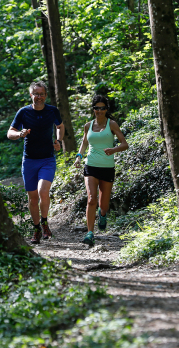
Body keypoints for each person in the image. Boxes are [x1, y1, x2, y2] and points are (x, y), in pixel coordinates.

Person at [8, 81, 64, 244]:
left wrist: (59, 140)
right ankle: (36, 228)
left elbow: (60, 125)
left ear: (45, 95)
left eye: (42, 94)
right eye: (36, 94)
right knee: (32, 198)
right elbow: (9, 133)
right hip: (29, 160)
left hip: (47, 159)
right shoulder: (23, 112)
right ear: (31, 95)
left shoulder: (52, 111)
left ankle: (45, 222)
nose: (39, 97)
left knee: (43, 191)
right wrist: (20, 134)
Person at [74, 95, 129, 246]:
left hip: (107, 168)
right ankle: (90, 233)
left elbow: (125, 144)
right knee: (91, 199)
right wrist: (79, 156)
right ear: (93, 110)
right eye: (97, 108)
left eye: (102, 108)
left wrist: (114, 149)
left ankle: (102, 215)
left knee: (103, 205)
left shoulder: (112, 124)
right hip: (90, 165)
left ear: (106, 109)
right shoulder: (88, 126)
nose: (99, 111)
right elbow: (84, 143)